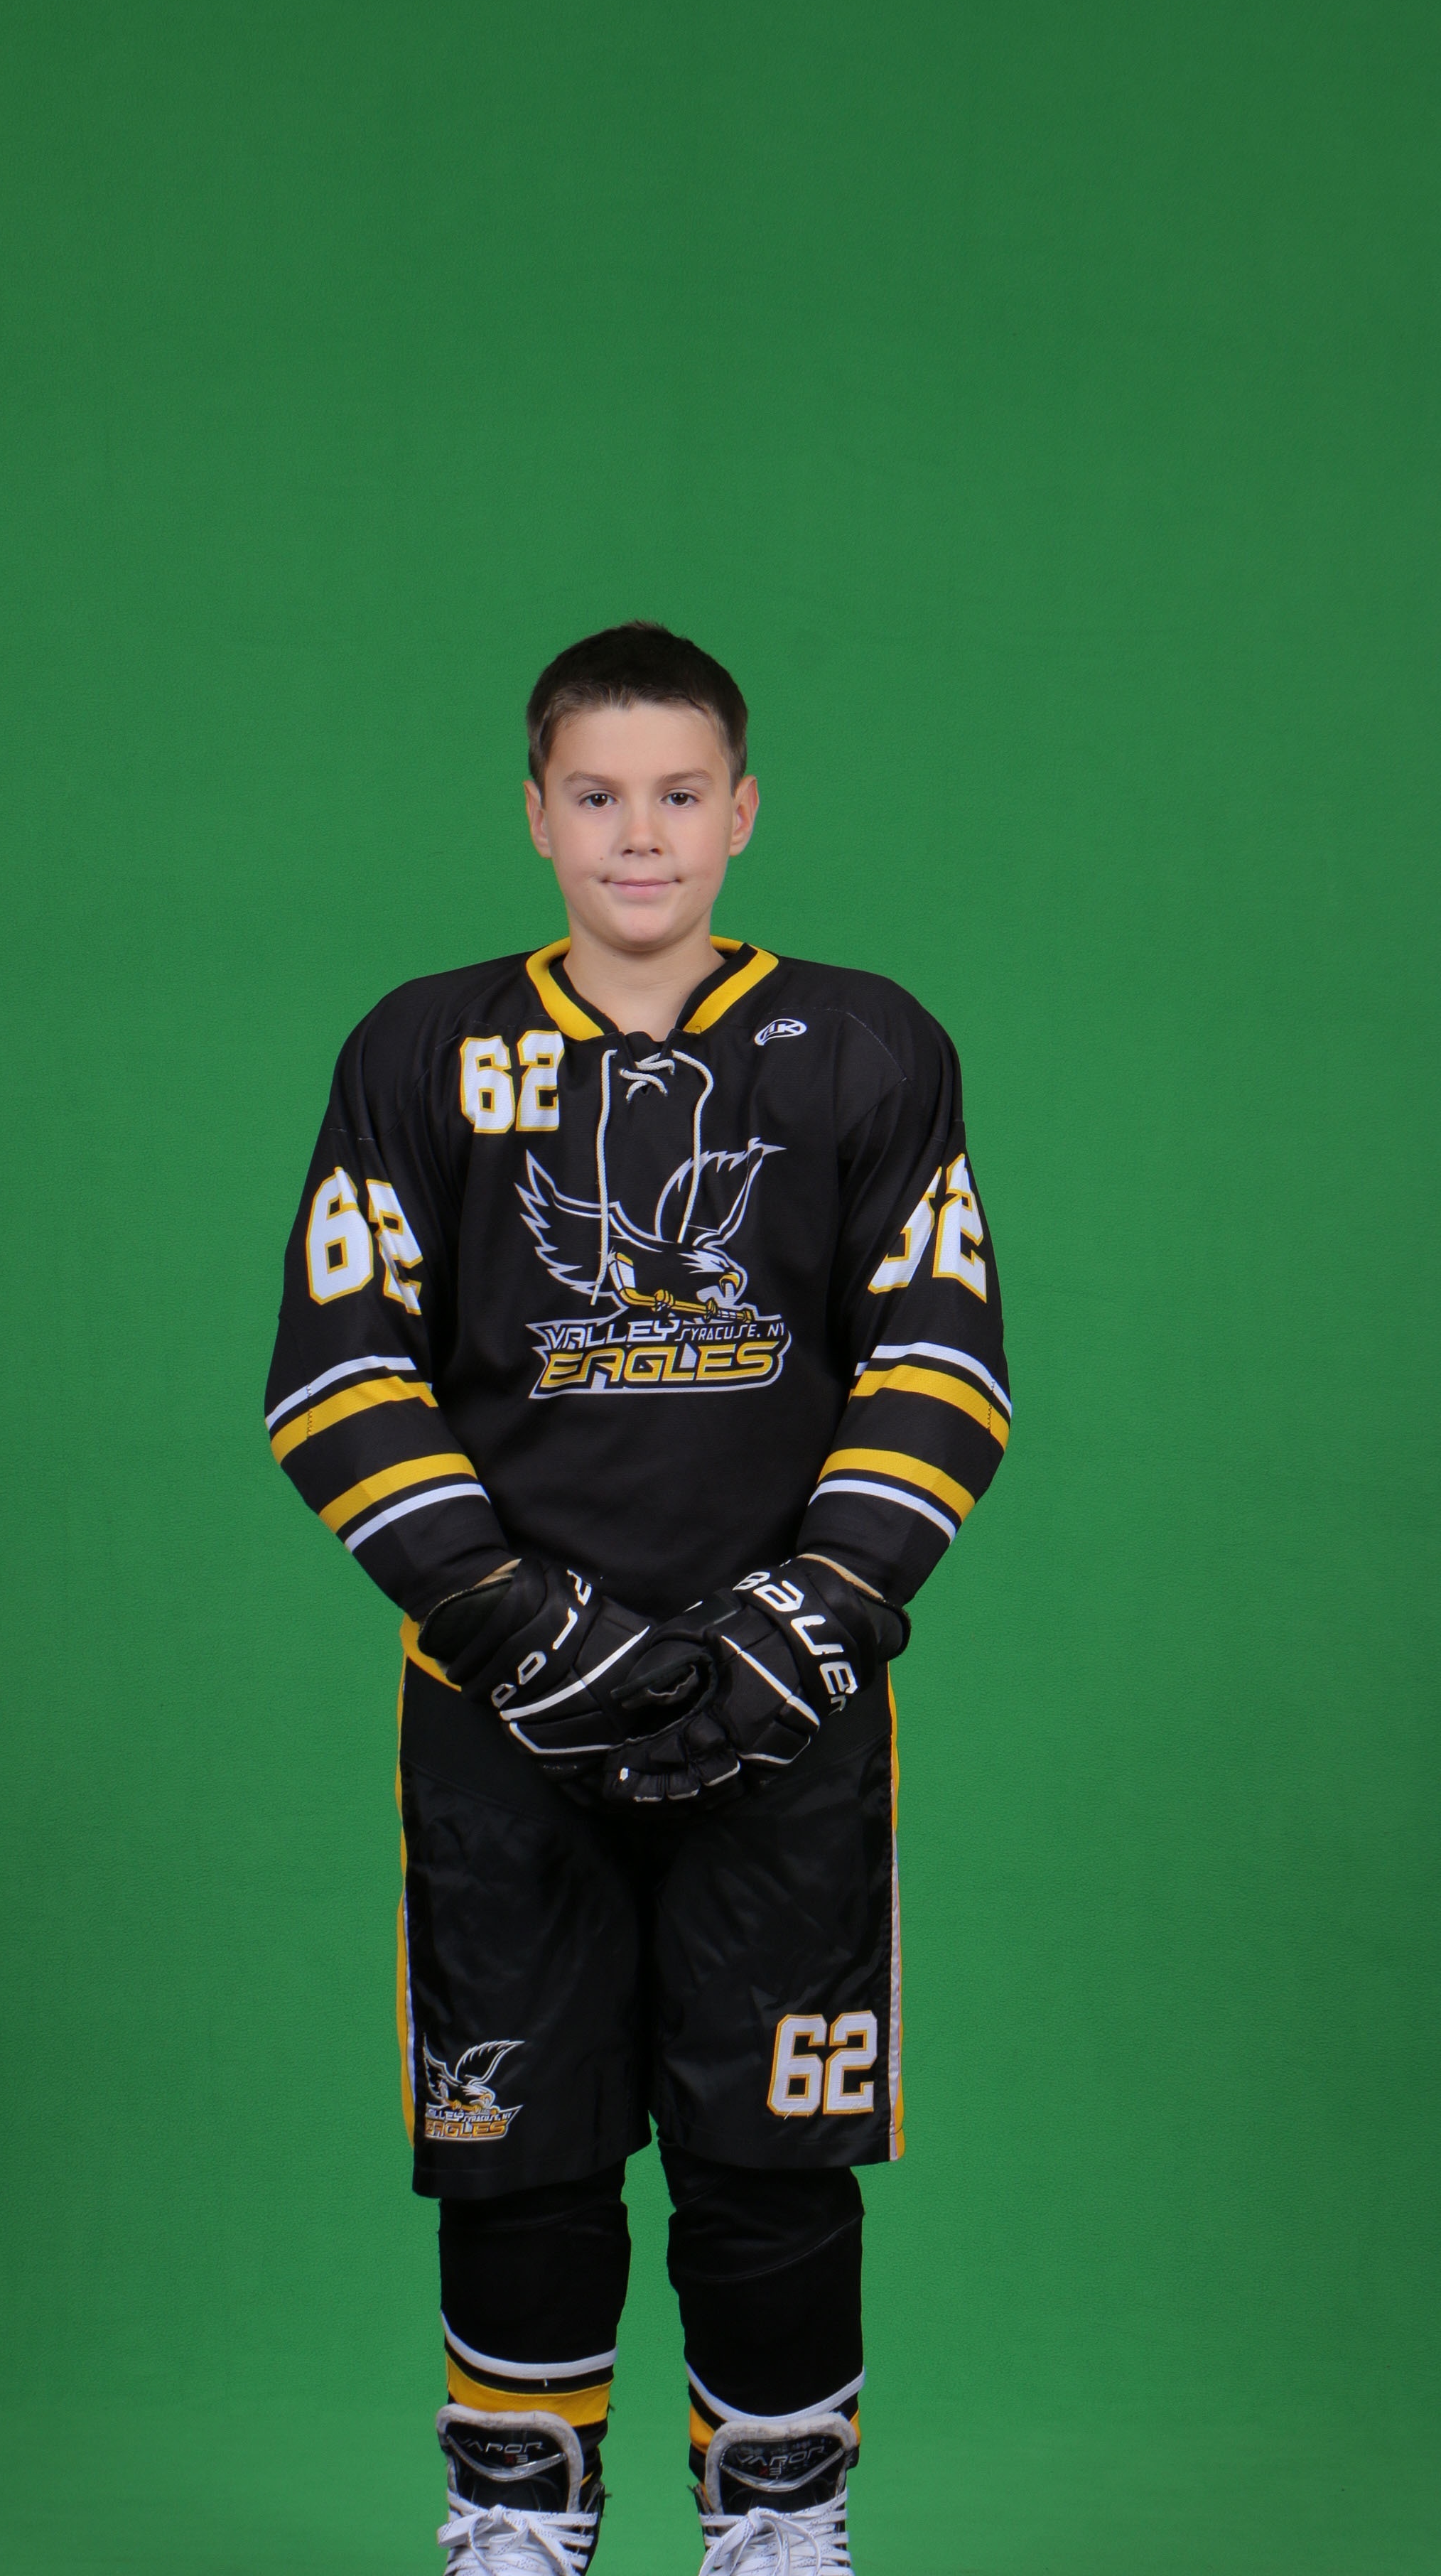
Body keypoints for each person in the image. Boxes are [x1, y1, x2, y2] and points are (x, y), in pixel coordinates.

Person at [263, 621, 1009, 2574]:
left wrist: (815, 1616)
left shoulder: (865, 1045)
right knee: (518, 2147)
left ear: (743, 812)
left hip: (789, 1718)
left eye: (679, 794)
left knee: (774, 2159)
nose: (640, 834)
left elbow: (942, 1358)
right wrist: (512, 1623)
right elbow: (337, 1370)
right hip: (503, 1720)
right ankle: (516, 2524)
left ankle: (779, 2528)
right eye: (597, 795)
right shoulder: (421, 1050)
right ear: (536, 815)